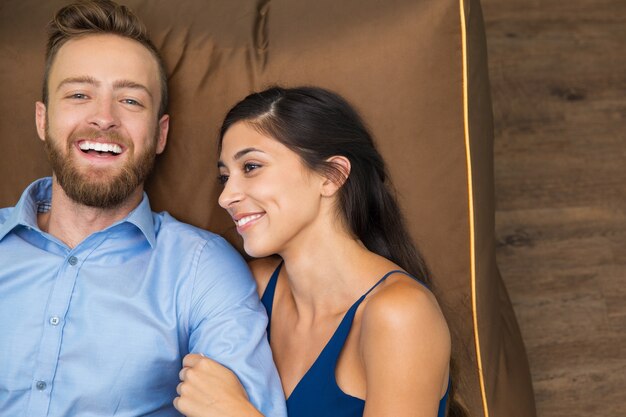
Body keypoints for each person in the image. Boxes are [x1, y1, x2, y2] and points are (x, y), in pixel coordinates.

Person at [0, 2, 286, 416]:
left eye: (131, 101)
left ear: (160, 134)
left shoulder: (202, 270)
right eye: (79, 94)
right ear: (43, 120)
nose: (103, 118)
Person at [174, 86, 468, 417]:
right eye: (224, 177)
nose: (226, 197)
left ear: (331, 176)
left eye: (251, 167)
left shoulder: (399, 315)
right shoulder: (253, 285)